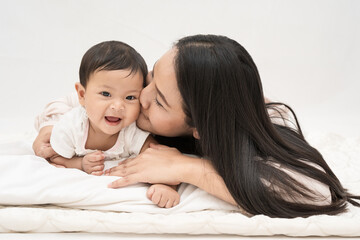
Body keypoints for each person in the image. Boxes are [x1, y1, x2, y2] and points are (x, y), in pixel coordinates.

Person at [33, 34, 360, 218]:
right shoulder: (138, 103)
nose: (140, 99)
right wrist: (50, 128)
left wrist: (187, 168)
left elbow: (317, 194)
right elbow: (73, 101)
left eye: (159, 101)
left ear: (200, 127)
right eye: (149, 80)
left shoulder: (245, 135)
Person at [46, 40, 180, 209]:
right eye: (106, 94)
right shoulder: (70, 128)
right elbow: (54, 157)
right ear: (82, 94)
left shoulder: (132, 130)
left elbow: (160, 160)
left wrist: (166, 186)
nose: (118, 106)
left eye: (130, 97)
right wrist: (80, 164)